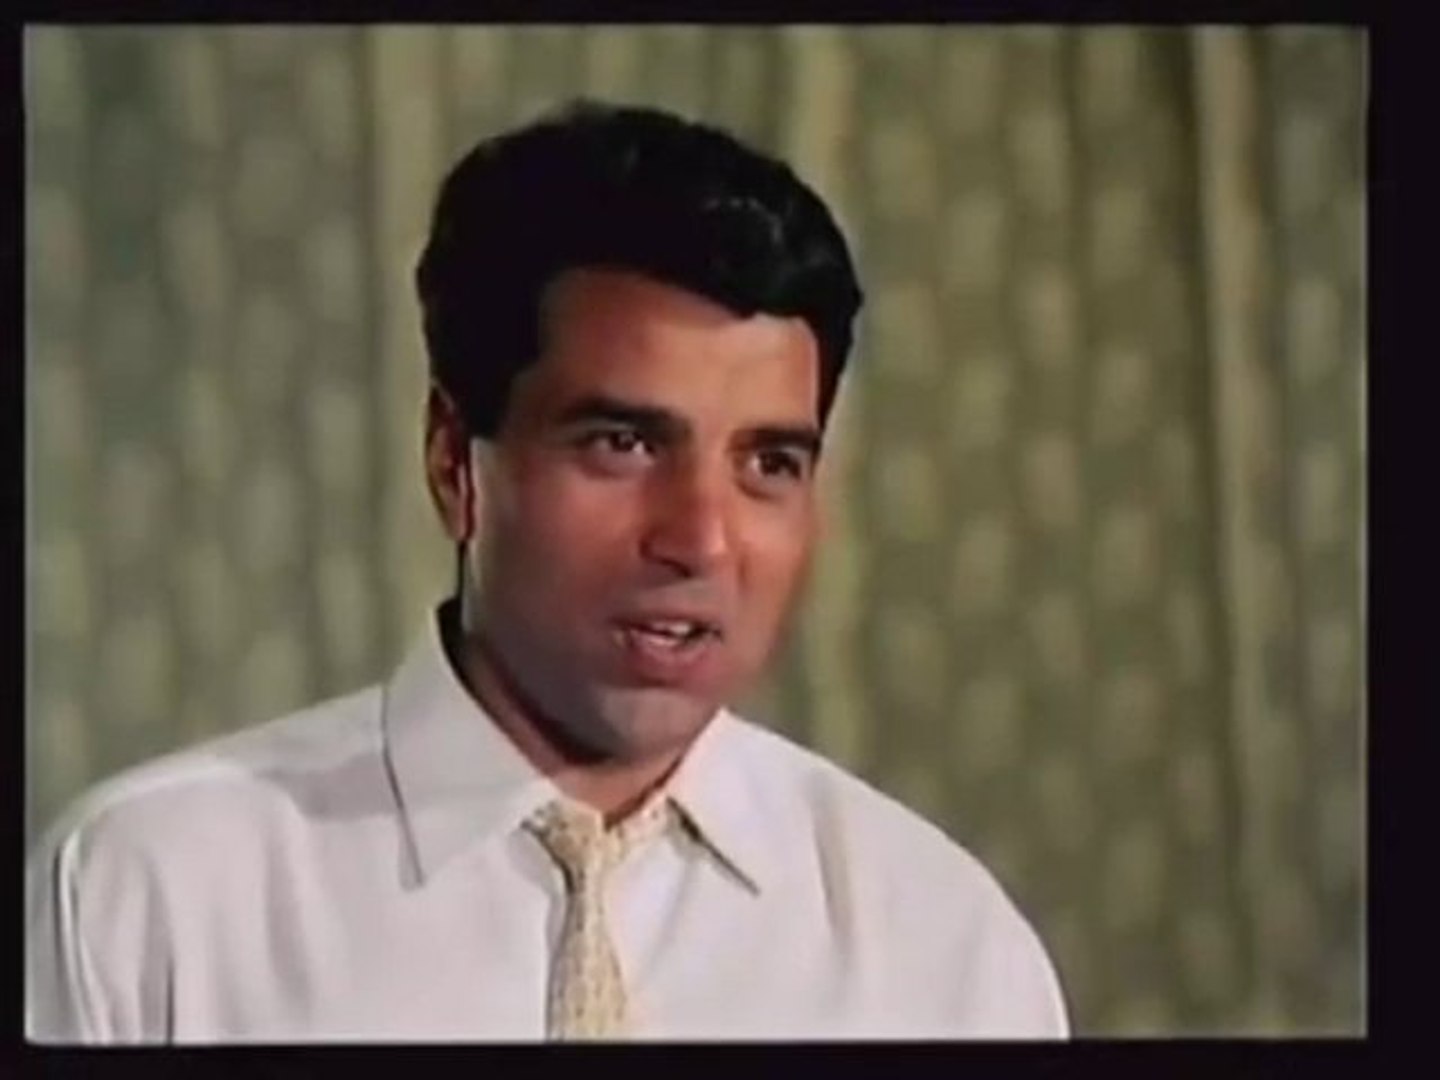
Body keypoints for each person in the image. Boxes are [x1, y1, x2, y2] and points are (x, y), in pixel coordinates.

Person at [26, 100, 1068, 1043]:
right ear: (454, 462)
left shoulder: (942, 945)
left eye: (768, 464)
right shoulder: (149, 897)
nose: (701, 541)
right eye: (623, 444)